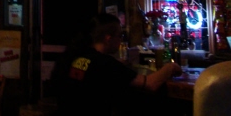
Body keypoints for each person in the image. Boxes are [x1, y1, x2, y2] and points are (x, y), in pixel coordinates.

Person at [52, 13, 181, 116]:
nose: (121, 39)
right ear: (108, 39)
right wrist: (171, 67)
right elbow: (150, 83)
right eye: (120, 35)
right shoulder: (106, 64)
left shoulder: (77, 55)